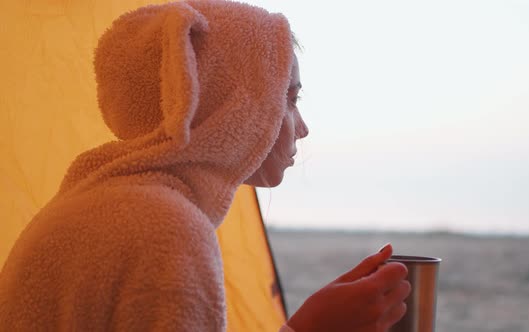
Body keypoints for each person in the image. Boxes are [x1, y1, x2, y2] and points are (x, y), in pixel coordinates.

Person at [0, 1, 410, 331]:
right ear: (226, 102)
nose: (302, 129)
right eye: (289, 98)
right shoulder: (165, 229)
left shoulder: (106, 204)